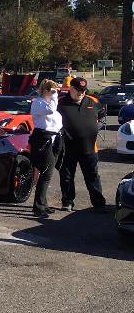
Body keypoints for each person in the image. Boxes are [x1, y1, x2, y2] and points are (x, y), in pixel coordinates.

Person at [57, 76, 108, 213]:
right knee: (67, 177)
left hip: (89, 148)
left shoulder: (93, 101)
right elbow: (51, 121)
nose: (81, 93)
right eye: (78, 90)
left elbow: (102, 114)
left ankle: (98, 203)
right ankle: (67, 202)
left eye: (83, 90)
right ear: (70, 89)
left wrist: (96, 126)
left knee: (92, 176)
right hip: (67, 148)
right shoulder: (60, 103)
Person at [29, 79, 62, 217]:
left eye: (57, 91)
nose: (56, 94)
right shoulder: (38, 103)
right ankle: (38, 206)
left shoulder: (49, 103)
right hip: (43, 139)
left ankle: (43, 203)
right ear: (46, 91)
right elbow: (51, 110)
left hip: (54, 138)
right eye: (53, 91)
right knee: (46, 173)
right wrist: (54, 96)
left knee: (48, 172)